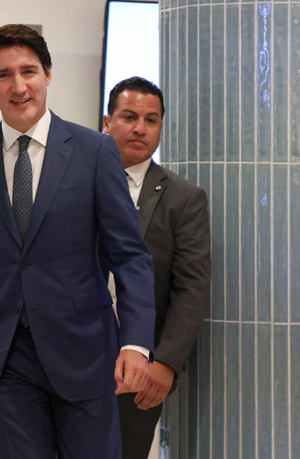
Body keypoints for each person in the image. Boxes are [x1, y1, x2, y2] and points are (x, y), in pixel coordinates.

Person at [0, 24, 156, 459]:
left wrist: (136, 343)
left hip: (85, 352)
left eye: (29, 71)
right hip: (4, 359)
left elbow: (131, 256)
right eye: (4, 75)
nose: (18, 86)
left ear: (48, 75)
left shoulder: (95, 151)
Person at [102, 76, 211, 459]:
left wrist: (164, 364)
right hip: (72, 356)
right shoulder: (75, 184)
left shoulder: (184, 198)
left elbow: (192, 289)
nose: (140, 128)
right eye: (129, 116)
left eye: (152, 120)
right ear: (106, 122)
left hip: (141, 371)